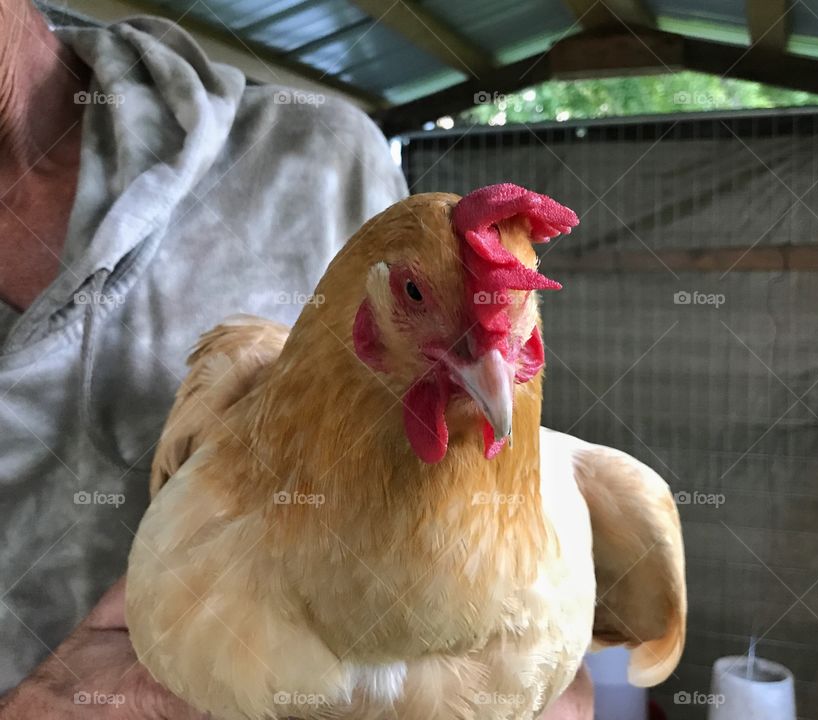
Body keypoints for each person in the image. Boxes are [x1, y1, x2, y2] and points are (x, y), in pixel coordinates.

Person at [0, 1, 593, 717]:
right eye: (411, 293)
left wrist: (541, 692)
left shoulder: (315, 157)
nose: (489, 361)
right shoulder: (233, 377)